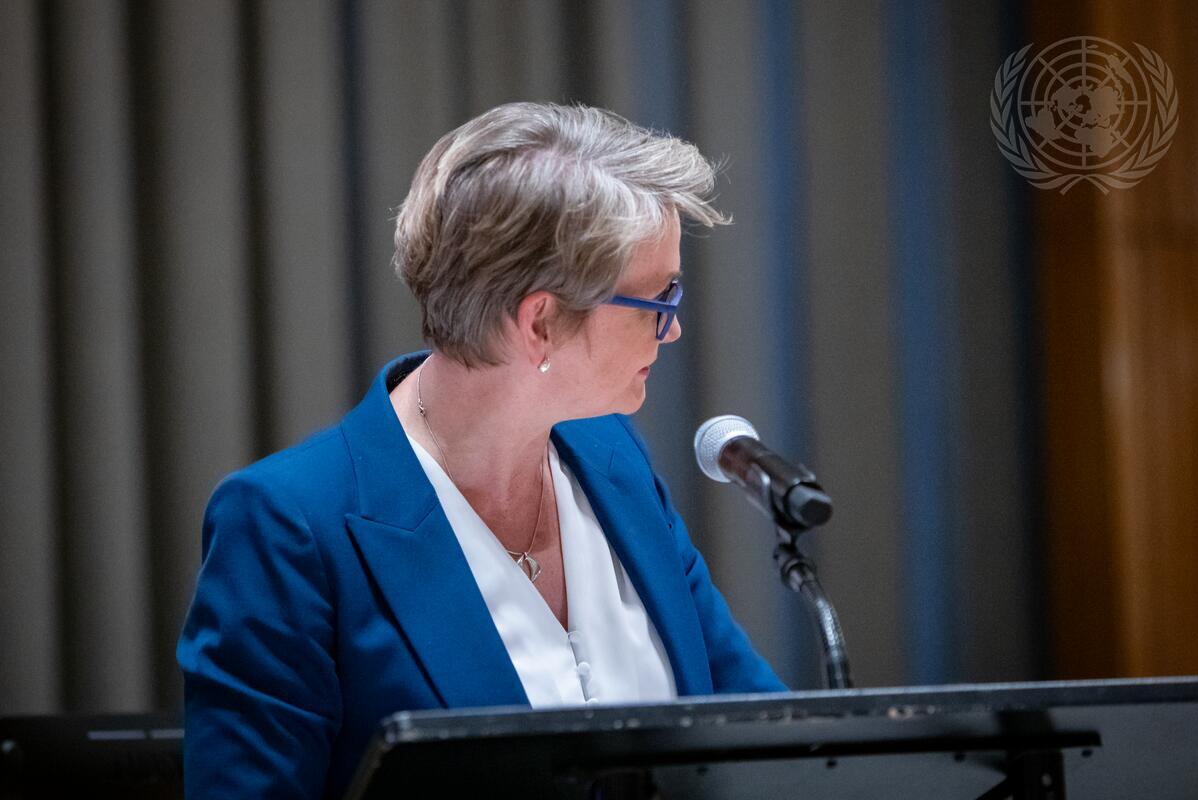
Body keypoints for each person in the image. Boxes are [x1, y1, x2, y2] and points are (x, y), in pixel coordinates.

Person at [177, 101, 786, 799]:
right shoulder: (286, 526)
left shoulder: (613, 459)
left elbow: (764, 737)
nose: (672, 330)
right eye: (661, 299)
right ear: (540, 322)